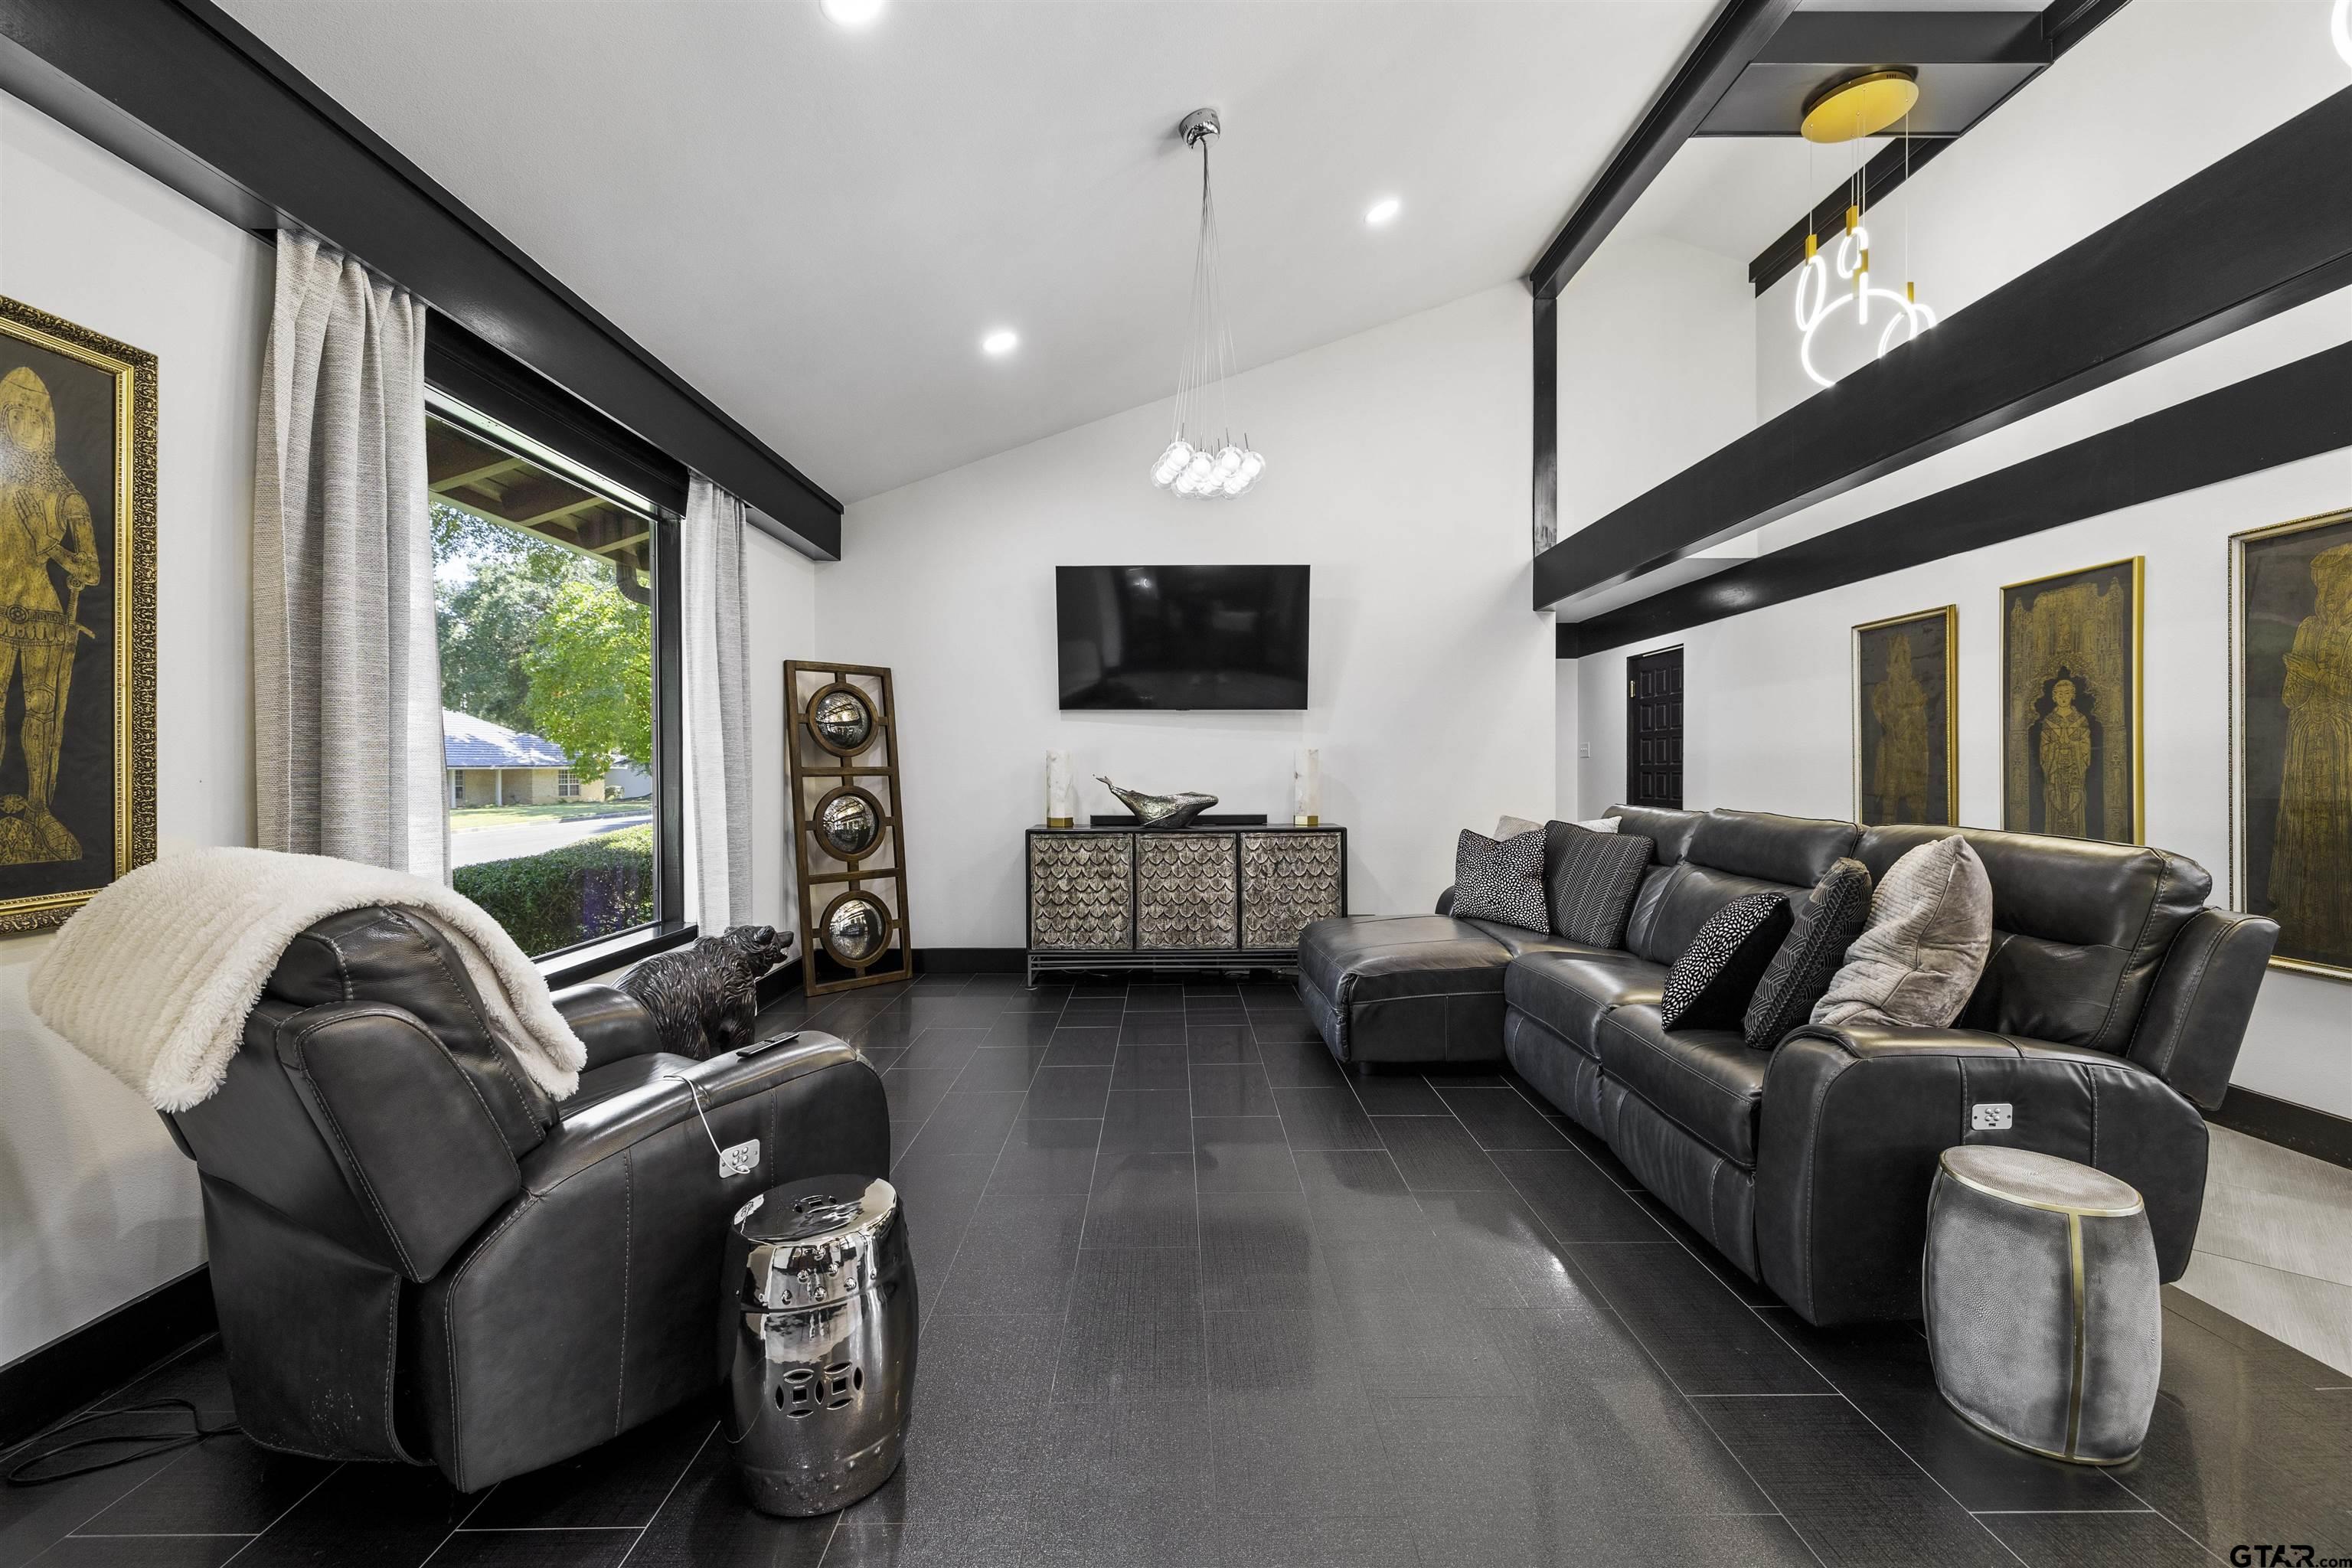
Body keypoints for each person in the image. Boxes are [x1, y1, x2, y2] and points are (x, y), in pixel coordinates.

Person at [0, 365, 99, 865]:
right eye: (11, 414)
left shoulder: (64, 492)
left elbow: (92, 570)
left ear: (46, 423)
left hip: (43, 613)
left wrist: (55, 552)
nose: (21, 424)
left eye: (30, 415)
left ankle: (38, 807)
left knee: (40, 715)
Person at [2271, 541, 2352, 962]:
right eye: (2324, 586)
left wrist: (2311, 671)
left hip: (2343, 735)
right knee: (2305, 824)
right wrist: (2300, 679)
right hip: (2307, 733)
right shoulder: (2308, 626)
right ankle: (2305, 911)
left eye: (2336, 584)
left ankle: (2341, 920)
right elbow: (2290, 697)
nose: (2329, 593)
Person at [1871, 634, 1932, 822]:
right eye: (1898, 661)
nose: (1903, 667)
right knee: (1889, 805)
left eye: (1907, 661)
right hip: (1892, 756)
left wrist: (1915, 711)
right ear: (1889, 667)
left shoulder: (1915, 689)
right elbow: (1887, 720)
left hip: (1914, 757)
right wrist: (1911, 711)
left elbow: (1922, 726)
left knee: (1918, 808)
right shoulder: (1882, 691)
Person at [2035, 676, 2093, 839]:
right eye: (2059, 694)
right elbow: (2044, 749)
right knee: (2055, 801)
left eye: (2067, 694)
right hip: (2055, 772)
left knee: (2075, 800)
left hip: (2074, 770)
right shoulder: (2049, 721)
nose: (2063, 698)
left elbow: (2086, 746)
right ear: (2054, 697)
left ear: (2073, 695)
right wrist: (2056, 748)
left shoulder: (2080, 720)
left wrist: (2073, 746)